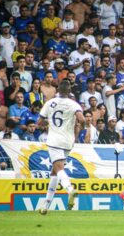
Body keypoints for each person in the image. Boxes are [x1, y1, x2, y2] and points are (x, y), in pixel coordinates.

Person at [37, 80, 85, 215]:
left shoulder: (49, 103)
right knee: (54, 173)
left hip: (54, 140)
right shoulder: (73, 104)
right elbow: (82, 120)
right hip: (68, 142)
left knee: (59, 169)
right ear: (69, 91)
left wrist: (50, 122)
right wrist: (82, 128)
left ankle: (70, 189)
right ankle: (46, 205)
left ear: (57, 90)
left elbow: (39, 122)